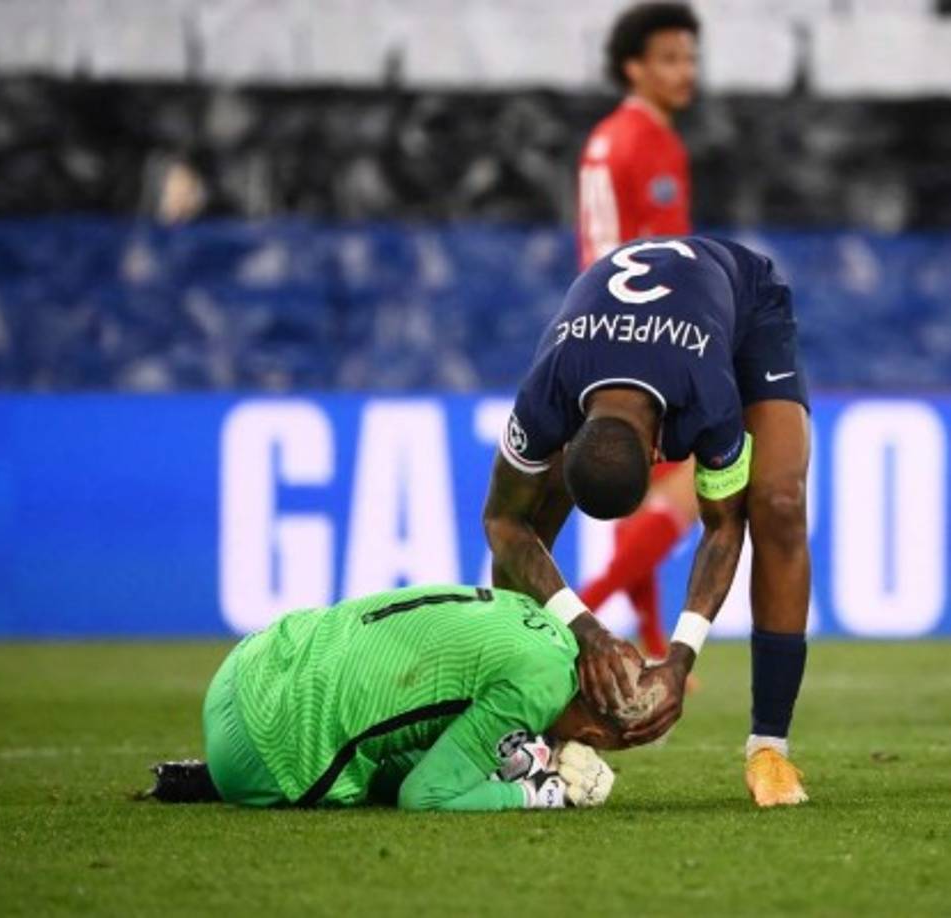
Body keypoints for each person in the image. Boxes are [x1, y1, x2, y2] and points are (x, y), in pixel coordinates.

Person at [483, 235, 811, 807]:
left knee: (778, 502)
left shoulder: (706, 398)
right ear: (569, 435)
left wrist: (679, 659)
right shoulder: (546, 393)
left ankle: (769, 750)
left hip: (743, 301)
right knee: (529, 519)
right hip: (626, 337)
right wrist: (586, 632)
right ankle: (524, 720)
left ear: (662, 446)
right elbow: (502, 522)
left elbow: (722, 526)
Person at [144, 584, 626, 811]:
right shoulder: (539, 687)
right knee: (392, 773)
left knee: (399, 719)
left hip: (247, 664)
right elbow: (424, 796)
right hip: (263, 757)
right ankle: (232, 782)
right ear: (590, 732)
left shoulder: (536, 616)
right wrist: (537, 793)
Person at [577, 2, 702, 661]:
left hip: (627, 331)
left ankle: (651, 641)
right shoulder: (633, 143)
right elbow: (628, 256)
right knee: (695, 484)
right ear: (635, 67)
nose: (687, 71)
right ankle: (581, 616)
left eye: (690, 57)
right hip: (636, 337)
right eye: (670, 58)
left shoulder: (634, 139)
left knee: (645, 495)